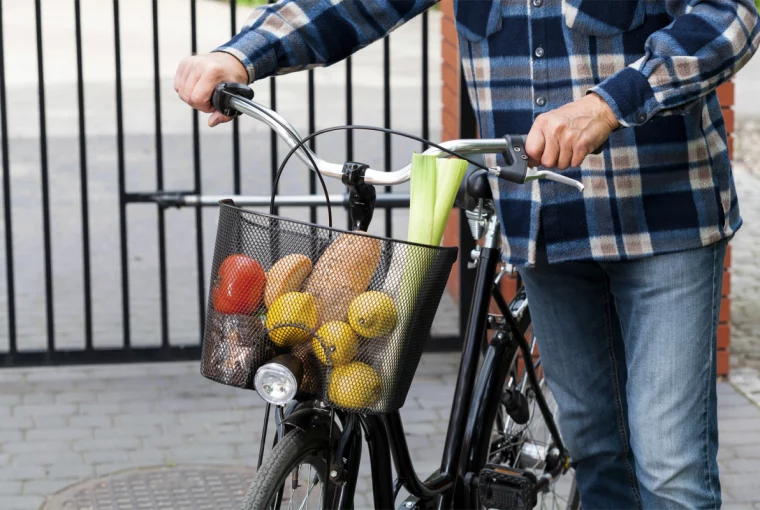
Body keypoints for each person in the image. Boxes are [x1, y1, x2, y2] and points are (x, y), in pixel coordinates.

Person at [175, 1, 760, 507]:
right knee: (596, 447)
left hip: (663, 217)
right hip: (543, 221)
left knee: (669, 464)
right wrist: (242, 55)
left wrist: (608, 104)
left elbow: (729, 15)